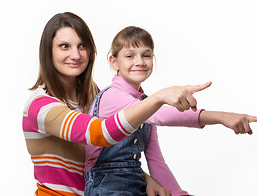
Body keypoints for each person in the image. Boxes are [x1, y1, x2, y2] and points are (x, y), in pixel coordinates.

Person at [23, 12, 211, 196]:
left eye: (82, 46)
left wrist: (146, 179)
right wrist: (158, 98)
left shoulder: (94, 95)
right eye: (64, 46)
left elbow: (106, 157)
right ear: (48, 52)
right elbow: (99, 134)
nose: (75, 54)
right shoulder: (40, 106)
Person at [83, 26, 257, 196]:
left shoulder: (146, 102)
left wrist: (178, 193)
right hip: (106, 185)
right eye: (130, 56)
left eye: (146, 55)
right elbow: (162, 116)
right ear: (114, 62)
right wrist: (220, 117)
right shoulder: (112, 96)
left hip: (136, 183)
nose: (139, 61)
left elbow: (155, 160)